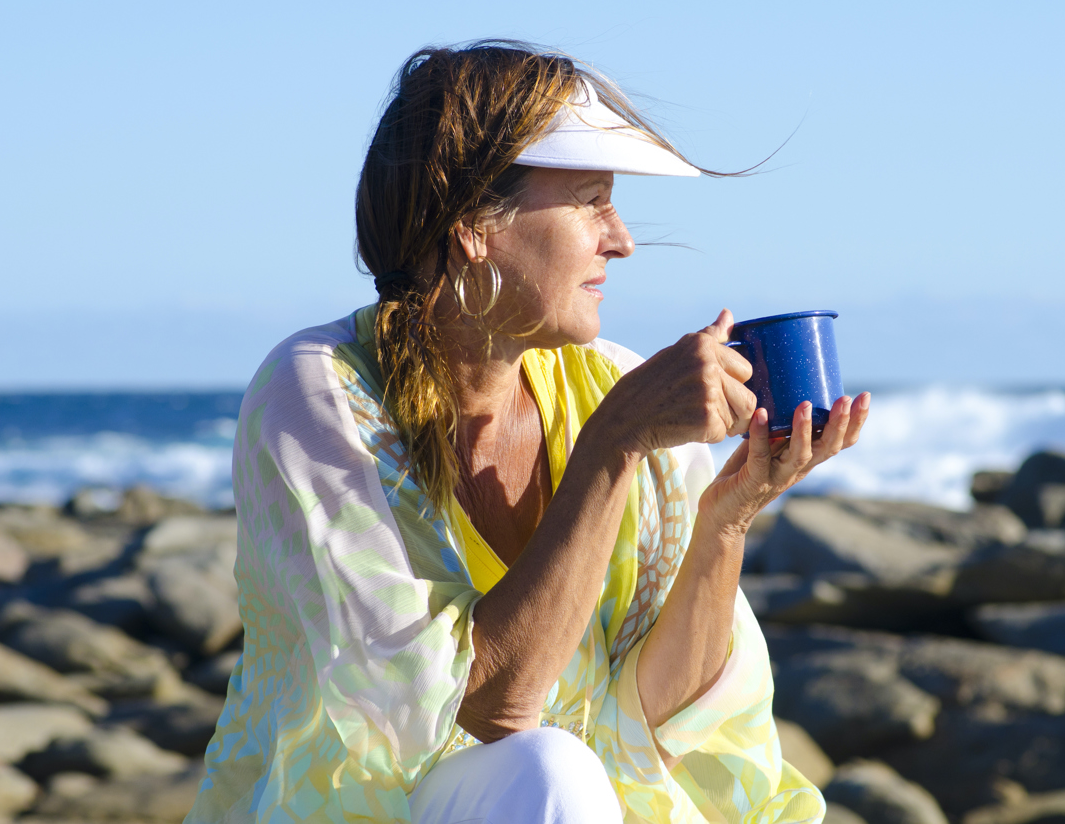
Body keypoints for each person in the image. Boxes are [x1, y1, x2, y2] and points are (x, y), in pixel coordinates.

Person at [186, 41, 870, 824]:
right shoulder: (318, 394)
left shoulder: (608, 383)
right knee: (548, 767)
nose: (621, 238)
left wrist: (728, 516)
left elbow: (655, 723)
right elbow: (493, 708)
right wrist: (613, 442)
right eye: (590, 201)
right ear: (475, 224)